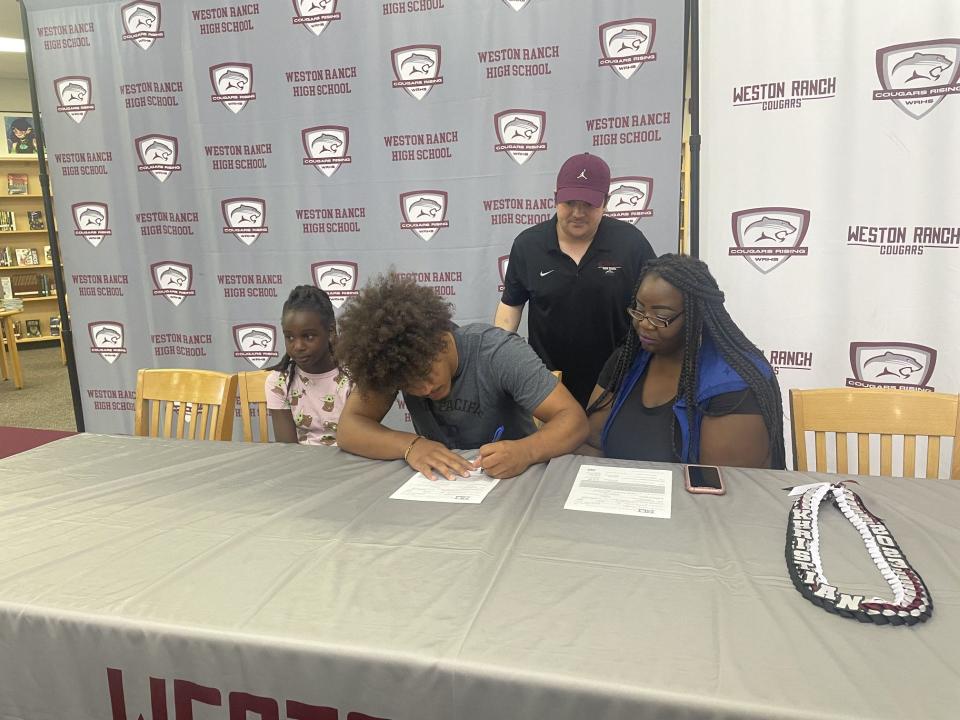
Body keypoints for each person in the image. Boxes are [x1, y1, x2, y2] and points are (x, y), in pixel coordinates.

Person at [336, 273, 588, 480]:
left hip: (512, 482)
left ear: (441, 340)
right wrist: (411, 445)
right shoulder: (393, 360)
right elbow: (349, 428)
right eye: (406, 385)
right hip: (445, 486)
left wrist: (525, 451)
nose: (423, 389)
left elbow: (574, 420)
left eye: (425, 373)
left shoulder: (498, 352)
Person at [579, 254, 786, 469]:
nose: (644, 324)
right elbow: (592, 444)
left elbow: (721, 486)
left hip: (698, 501)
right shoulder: (626, 362)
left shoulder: (733, 382)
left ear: (696, 315)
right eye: (639, 310)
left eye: (661, 317)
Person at [494, 152, 656, 408]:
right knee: (551, 448)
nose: (578, 213)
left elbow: (652, 306)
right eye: (569, 202)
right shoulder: (528, 245)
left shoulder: (631, 243)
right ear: (556, 197)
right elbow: (510, 307)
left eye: (589, 204)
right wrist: (498, 360)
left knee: (607, 448)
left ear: (606, 201)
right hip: (546, 384)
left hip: (618, 381)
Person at [265, 285, 351, 446]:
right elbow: (288, 449)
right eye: (289, 337)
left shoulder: (354, 377)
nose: (298, 346)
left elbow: (360, 438)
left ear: (331, 331)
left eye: (308, 336)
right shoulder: (279, 381)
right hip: (301, 465)